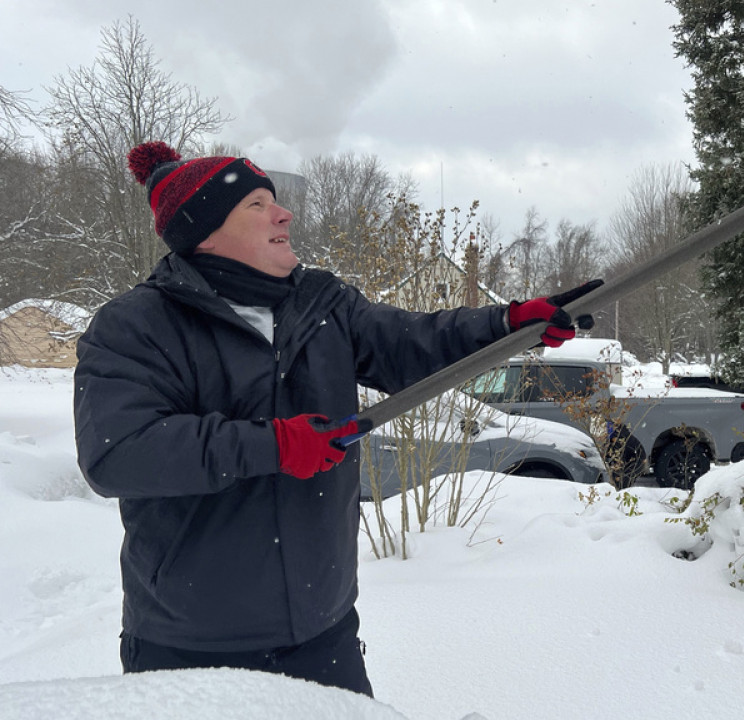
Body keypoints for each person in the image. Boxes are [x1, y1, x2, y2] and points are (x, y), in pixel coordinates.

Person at [73, 141, 600, 696]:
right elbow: (120, 452)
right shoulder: (136, 325)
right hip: (190, 646)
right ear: (205, 230)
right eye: (257, 205)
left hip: (323, 636)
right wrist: (274, 446)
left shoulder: (322, 305)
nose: (284, 213)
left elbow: (411, 345)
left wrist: (508, 324)